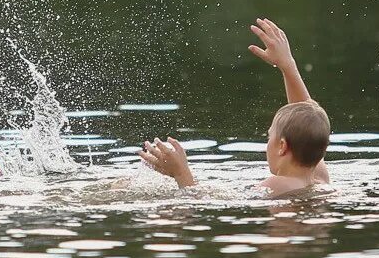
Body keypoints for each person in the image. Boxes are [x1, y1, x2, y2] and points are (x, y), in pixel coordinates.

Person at [138, 18, 331, 199]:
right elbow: (307, 118)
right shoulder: (319, 178)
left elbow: (203, 201)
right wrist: (287, 66)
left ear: (282, 146)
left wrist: (181, 173)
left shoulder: (275, 185)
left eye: (269, 136)